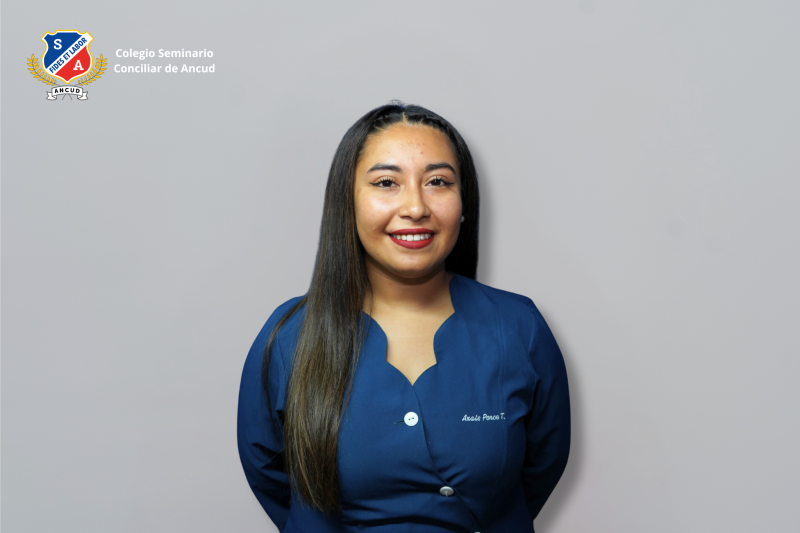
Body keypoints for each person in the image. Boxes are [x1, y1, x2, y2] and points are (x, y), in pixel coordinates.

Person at [237, 101, 571, 533]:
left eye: (438, 182)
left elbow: (541, 468)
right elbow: (269, 475)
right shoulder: (289, 337)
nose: (415, 207)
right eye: (386, 183)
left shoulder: (519, 327)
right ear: (347, 202)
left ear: (463, 202)